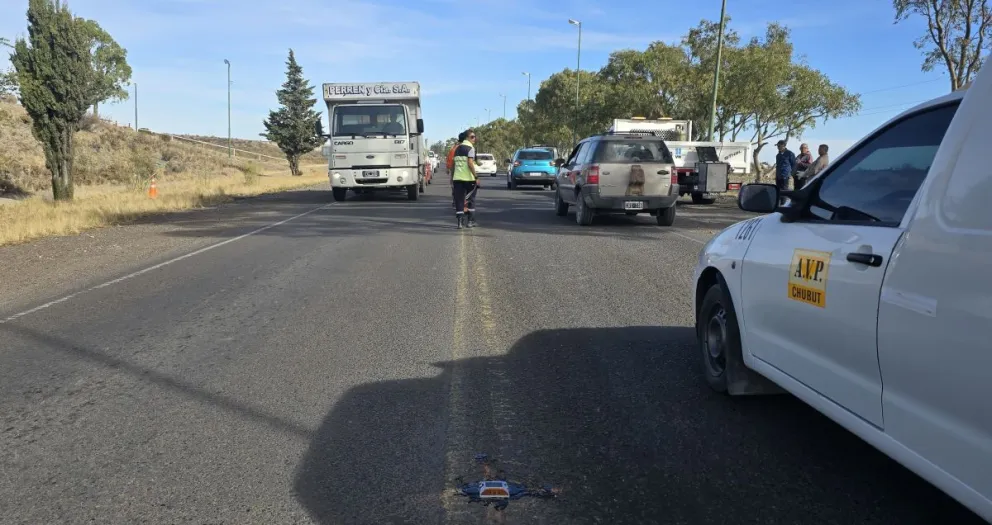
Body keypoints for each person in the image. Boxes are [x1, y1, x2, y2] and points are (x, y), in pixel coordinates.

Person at [451, 129, 480, 229]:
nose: (474, 139)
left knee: (459, 200)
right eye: (472, 137)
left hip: (457, 179)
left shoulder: (457, 149)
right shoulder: (470, 148)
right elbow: (470, 163)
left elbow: (453, 165)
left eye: (474, 137)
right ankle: (470, 222)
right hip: (469, 179)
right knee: (471, 200)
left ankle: (460, 222)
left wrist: (452, 178)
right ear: (467, 138)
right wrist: (476, 177)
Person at [448, 132, 466, 210]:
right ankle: (463, 203)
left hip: (455, 171)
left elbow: (450, 160)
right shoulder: (467, 148)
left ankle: (456, 201)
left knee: (455, 187)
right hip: (465, 172)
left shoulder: (453, 149)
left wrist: (448, 169)